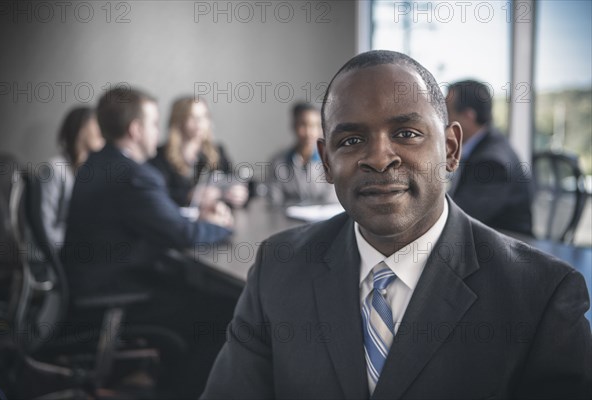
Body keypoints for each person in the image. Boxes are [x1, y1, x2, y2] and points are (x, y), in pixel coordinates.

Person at [201, 51, 591, 399]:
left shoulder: (540, 295)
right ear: (327, 162)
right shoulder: (278, 267)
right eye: (351, 140)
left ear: (451, 150)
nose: (379, 158)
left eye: (406, 133)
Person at [62, 87, 234, 298]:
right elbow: (184, 235)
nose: (157, 132)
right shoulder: (136, 176)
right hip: (114, 288)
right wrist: (220, 225)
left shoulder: (95, 163)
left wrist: (198, 218)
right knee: (216, 301)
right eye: (153, 124)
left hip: (85, 282)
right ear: (135, 130)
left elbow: (155, 218)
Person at [446, 80, 533, 235]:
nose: (443, 120)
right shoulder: (485, 144)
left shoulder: (492, 162)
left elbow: (459, 218)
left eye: (447, 112)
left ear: (468, 116)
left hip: (503, 251)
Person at [150, 96, 248, 208]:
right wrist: (189, 196)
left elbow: (234, 181)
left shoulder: (218, 151)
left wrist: (236, 194)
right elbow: (156, 195)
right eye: (192, 117)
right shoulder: (160, 155)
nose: (200, 122)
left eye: (204, 116)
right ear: (179, 120)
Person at [39, 107, 104, 252]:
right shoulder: (54, 169)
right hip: (56, 260)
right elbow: (43, 228)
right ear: (81, 129)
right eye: (97, 124)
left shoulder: (93, 174)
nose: (102, 132)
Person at [267, 102, 338, 205]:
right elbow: (274, 202)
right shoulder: (278, 161)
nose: (309, 132)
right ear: (294, 126)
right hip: (288, 220)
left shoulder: (331, 160)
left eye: (315, 126)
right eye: (303, 125)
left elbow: (333, 201)